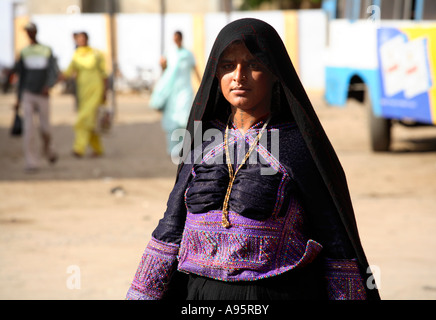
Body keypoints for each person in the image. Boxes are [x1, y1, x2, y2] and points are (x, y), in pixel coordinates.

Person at [126, 18, 380, 300]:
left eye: (254, 64)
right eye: (227, 66)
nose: (238, 76)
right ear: (215, 74)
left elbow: (334, 239)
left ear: (274, 73)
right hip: (198, 297)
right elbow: (170, 227)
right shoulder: (202, 141)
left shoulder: (297, 146)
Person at [13, 22, 59, 172]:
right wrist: (18, 99)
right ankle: (32, 162)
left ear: (35, 32)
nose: (29, 34)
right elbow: (21, 76)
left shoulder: (46, 50)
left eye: (31, 31)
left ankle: (49, 151)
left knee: (45, 128)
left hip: (43, 94)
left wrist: (49, 85)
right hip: (28, 94)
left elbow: (53, 71)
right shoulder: (24, 52)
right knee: (29, 129)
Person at [149, 31, 201, 158]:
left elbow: (195, 70)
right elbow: (165, 69)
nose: (176, 41)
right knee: (171, 119)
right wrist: (161, 64)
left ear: (181, 39)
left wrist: (201, 85)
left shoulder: (188, 54)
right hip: (171, 91)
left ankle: (184, 147)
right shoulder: (169, 53)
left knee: (184, 118)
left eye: (177, 38)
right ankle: (172, 149)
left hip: (185, 90)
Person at [62, 31, 108, 158]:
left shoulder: (96, 53)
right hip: (82, 93)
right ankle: (98, 149)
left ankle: (79, 148)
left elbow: (104, 74)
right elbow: (67, 72)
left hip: (96, 90)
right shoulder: (76, 55)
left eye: (82, 38)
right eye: (78, 39)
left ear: (87, 39)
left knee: (82, 120)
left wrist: (105, 91)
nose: (80, 40)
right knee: (90, 121)